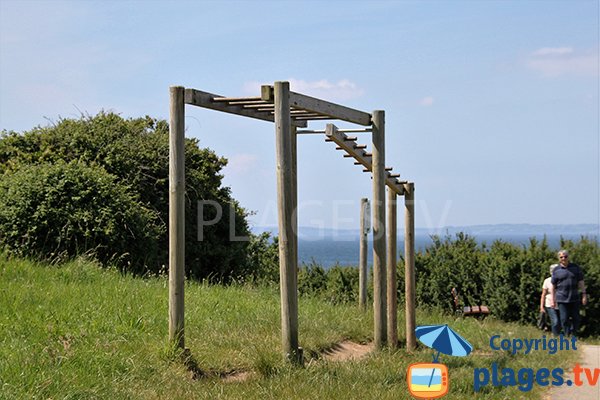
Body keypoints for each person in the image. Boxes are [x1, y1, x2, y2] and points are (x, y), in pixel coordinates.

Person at [551, 250, 587, 336]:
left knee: (576, 318)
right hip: (561, 298)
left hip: (574, 297)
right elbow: (553, 286)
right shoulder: (556, 270)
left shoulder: (575, 267)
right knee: (564, 319)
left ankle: (574, 334)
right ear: (559, 258)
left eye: (565, 256)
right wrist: (553, 299)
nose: (564, 258)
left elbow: (581, 281)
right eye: (561, 257)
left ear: (568, 257)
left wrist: (584, 294)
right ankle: (567, 335)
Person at [540, 264, 561, 335]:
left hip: (561, 303)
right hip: (549, 304)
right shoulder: (547, 281)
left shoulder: (562, 280)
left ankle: (558, 335)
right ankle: (555, 336)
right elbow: (543, 294)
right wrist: (541, 306)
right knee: (555, 321)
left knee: (561, 322)